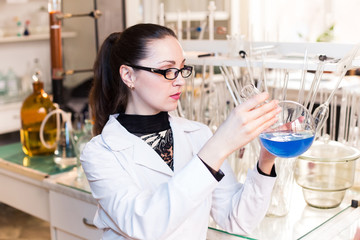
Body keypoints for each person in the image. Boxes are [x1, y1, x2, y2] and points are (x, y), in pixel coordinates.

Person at [80, 23, 281, 240]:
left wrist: (266, 159)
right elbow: (145, 225)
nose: (181, 81)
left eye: (182, 69)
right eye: (167, 71)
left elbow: (237, 222)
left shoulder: (198, 134)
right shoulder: (100, 152)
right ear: (128, 75)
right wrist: (219, 145)